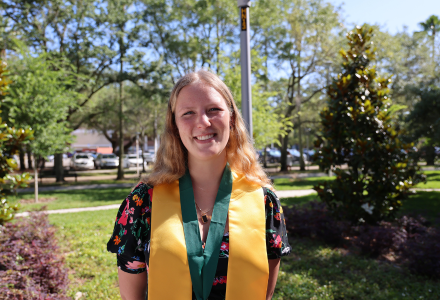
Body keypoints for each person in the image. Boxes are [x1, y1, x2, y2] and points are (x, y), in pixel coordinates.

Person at [107, 70, 291, 300]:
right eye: (188, 113)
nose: (203, 122)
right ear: (174, 125)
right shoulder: (142, 202)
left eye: (214, 109)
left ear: (232, 118)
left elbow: (264, 294)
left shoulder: (263, 201)